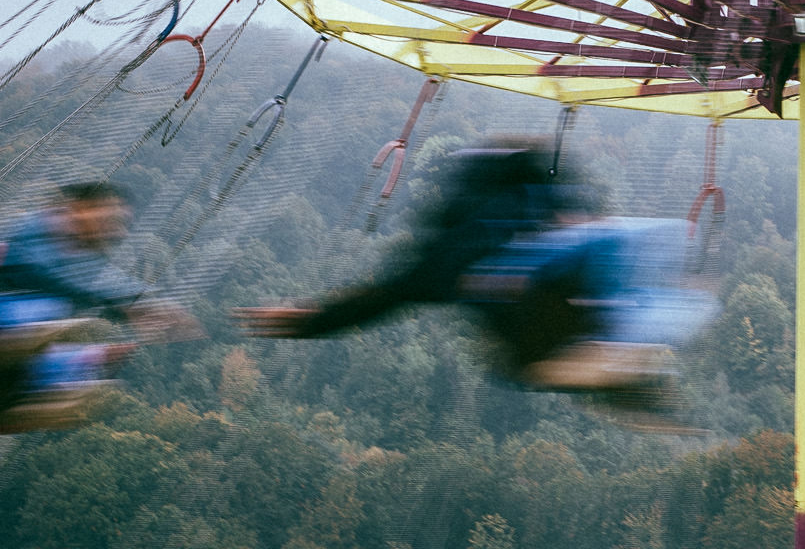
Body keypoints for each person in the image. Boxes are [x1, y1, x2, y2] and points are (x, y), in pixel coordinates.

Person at [232, 135, 713, 407]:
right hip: (565, 318)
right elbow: (385, 296)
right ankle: (618, 368)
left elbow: (382, 297)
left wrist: (309, 322)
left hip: (544, 331)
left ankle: (614, 366)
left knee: (543, 352)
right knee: (596, 314)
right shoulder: (534, 222)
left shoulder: (453, 255)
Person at [0, 179, 199, 431]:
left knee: (66, 369)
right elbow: (51, 273)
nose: (118, 232)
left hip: (19, 363)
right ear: (81, 208)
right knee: (43, 316)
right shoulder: (41, 229)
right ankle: (40, 355)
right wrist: (133, 302)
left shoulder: (78, 257)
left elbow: (92, 278)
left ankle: (31, 395)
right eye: (112, 218)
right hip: (9, 317)